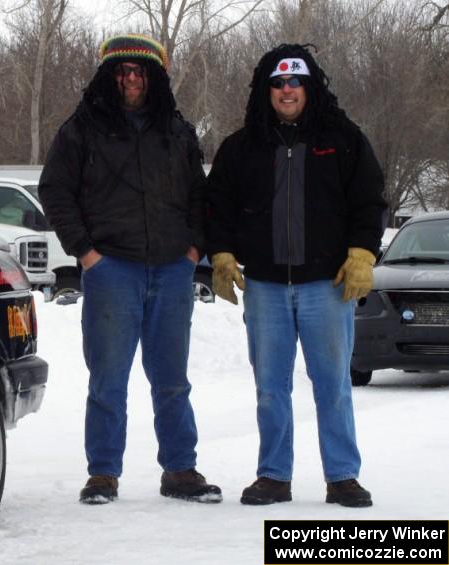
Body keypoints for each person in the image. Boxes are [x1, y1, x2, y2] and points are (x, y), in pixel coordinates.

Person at [38, 33, 221, 505]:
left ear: (153, 76)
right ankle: (103, 473)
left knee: (172, 378)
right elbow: (55, 190)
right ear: (109, 75)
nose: (132, 79)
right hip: (111, 268)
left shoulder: (177, 132)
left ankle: (180, 470)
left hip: (171, 269)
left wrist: (194, 250)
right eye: (123, 71)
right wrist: (86, 253)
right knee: (107, 377)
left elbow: (199, 196)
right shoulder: (81, 130)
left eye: (140, 71)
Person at [206, 44, 387, 507]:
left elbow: (369, 201)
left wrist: (363, 253)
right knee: (270, 388)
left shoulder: (343, 140)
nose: (287, 91)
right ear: (266, 90)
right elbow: (217, 206)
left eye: (295, 82)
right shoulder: (241, 147)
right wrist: (222, 252)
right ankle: (273, 476)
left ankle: (343, 476)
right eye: (278, 83)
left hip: (327, 287)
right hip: (265, 286)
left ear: (309, 87)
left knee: (333, 386)